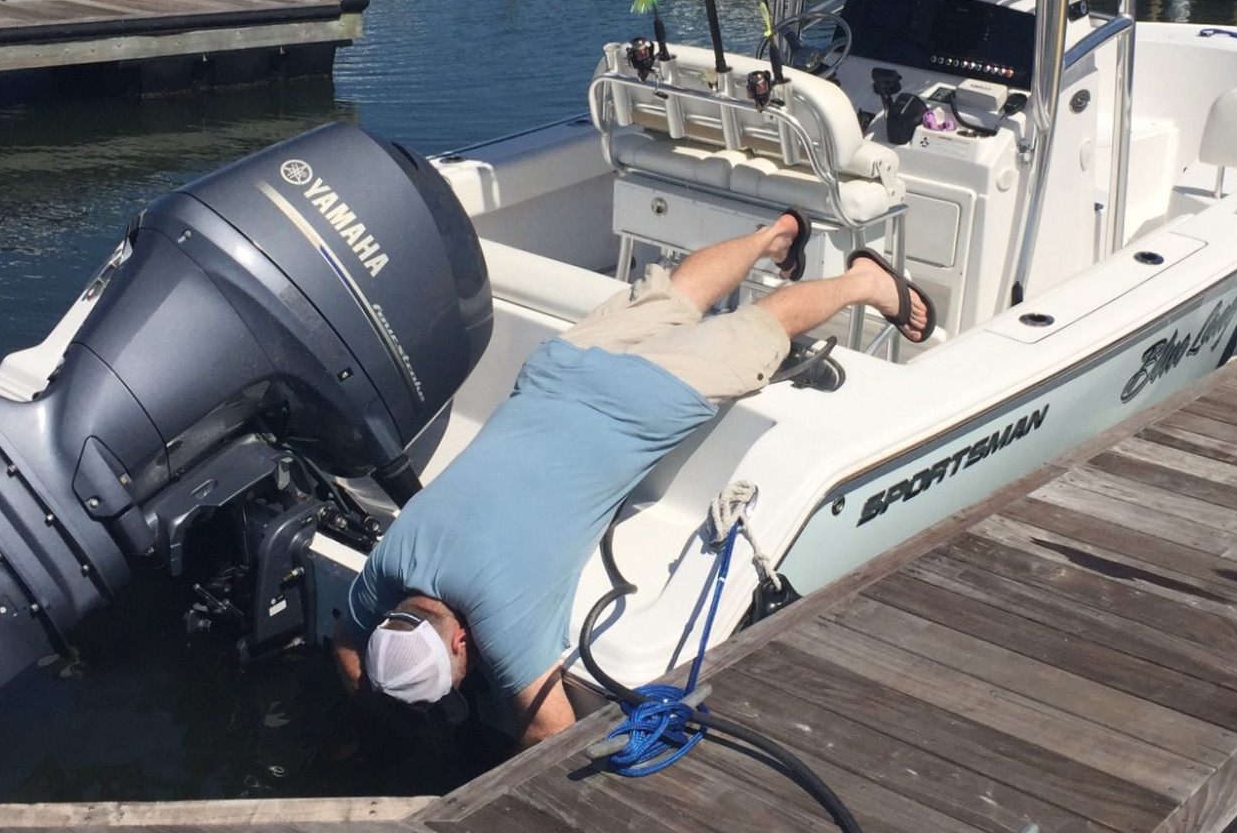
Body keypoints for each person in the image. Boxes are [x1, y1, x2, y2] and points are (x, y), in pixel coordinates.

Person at [331, 210, 933, 749]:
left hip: (644, 403)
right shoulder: (391, 559)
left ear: (464, 645)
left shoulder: (504, 625)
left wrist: (422, 735)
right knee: (675, 296)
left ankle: (866, 281)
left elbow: (551, 733)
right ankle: (775, 236)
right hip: (558, 370)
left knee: (764, 325)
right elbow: (347, 644)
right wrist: (373, 697)